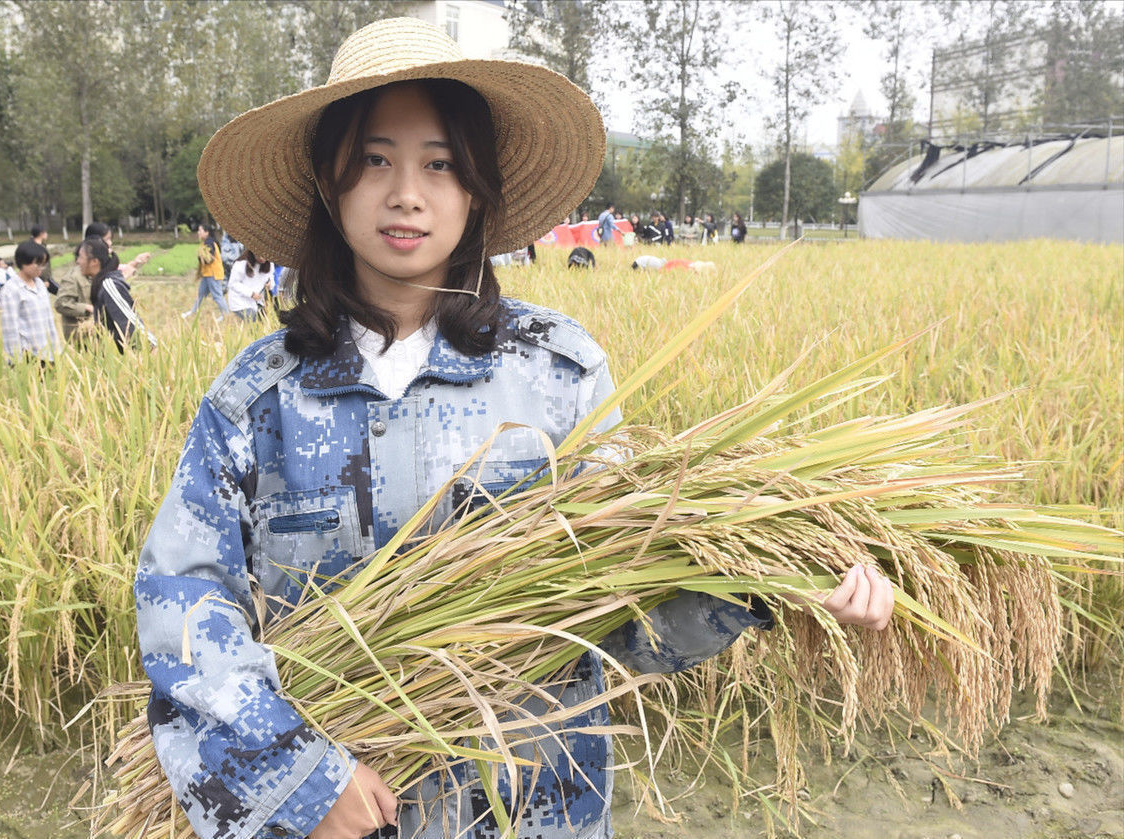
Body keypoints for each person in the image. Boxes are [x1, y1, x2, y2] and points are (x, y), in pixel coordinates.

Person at [136, 17, 893, 839]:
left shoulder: (560, 377)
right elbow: (185, 605)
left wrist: (767, 578)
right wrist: (301, 779)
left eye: (440, 165)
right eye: (375, 161)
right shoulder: (259, 399)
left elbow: (619, 617)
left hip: (536, 811)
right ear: (330, 182)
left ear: (478, 190)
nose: (406, 194)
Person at [75, 236, 155, 352]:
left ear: (94, 262)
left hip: (142, 355)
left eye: (81, 257)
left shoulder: (109, 285)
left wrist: (151, 352)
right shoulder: (102, 283)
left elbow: (130, 322)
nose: (78, 261)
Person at [0, 240, 61, 364]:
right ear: (23, 262)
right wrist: (16, 361)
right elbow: (10, 328)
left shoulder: (40, 285)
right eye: (38, 264)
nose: (41, 269)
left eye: (44, 264)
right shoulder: (11, 290)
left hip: (48, 352)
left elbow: (49, 320)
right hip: (29, 356)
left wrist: (56, 349)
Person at [182, 222, 229, 319]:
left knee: (217, 296)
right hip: (207, 274)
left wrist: (201, 256)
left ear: (206, 232)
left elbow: (209, 259)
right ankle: (193, 312)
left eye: (200, 231)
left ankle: (226, 315)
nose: (198, 233)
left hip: (213, 274)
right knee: (201, 294)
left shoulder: (209, 242)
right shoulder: (206, 242)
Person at [226, 248, 274, 322]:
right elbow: (233, 283)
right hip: (240, 302)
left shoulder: (270, 264)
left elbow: (271, 279)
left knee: (266, 322)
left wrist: (270, 284)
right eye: (259, 255)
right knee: (255, 322)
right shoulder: (242, 263)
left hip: (258, 303)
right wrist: (251, 293)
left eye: (265, 256)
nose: (262, 258)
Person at [29, 225, 59, 294]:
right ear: (41, 234)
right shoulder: (36, 248)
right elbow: (39, 264)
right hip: (40, 279)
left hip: (43, 278)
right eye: (45, 232)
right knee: (60, 292)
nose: (47, 234)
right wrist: (45, 279)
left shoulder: (40, 245)